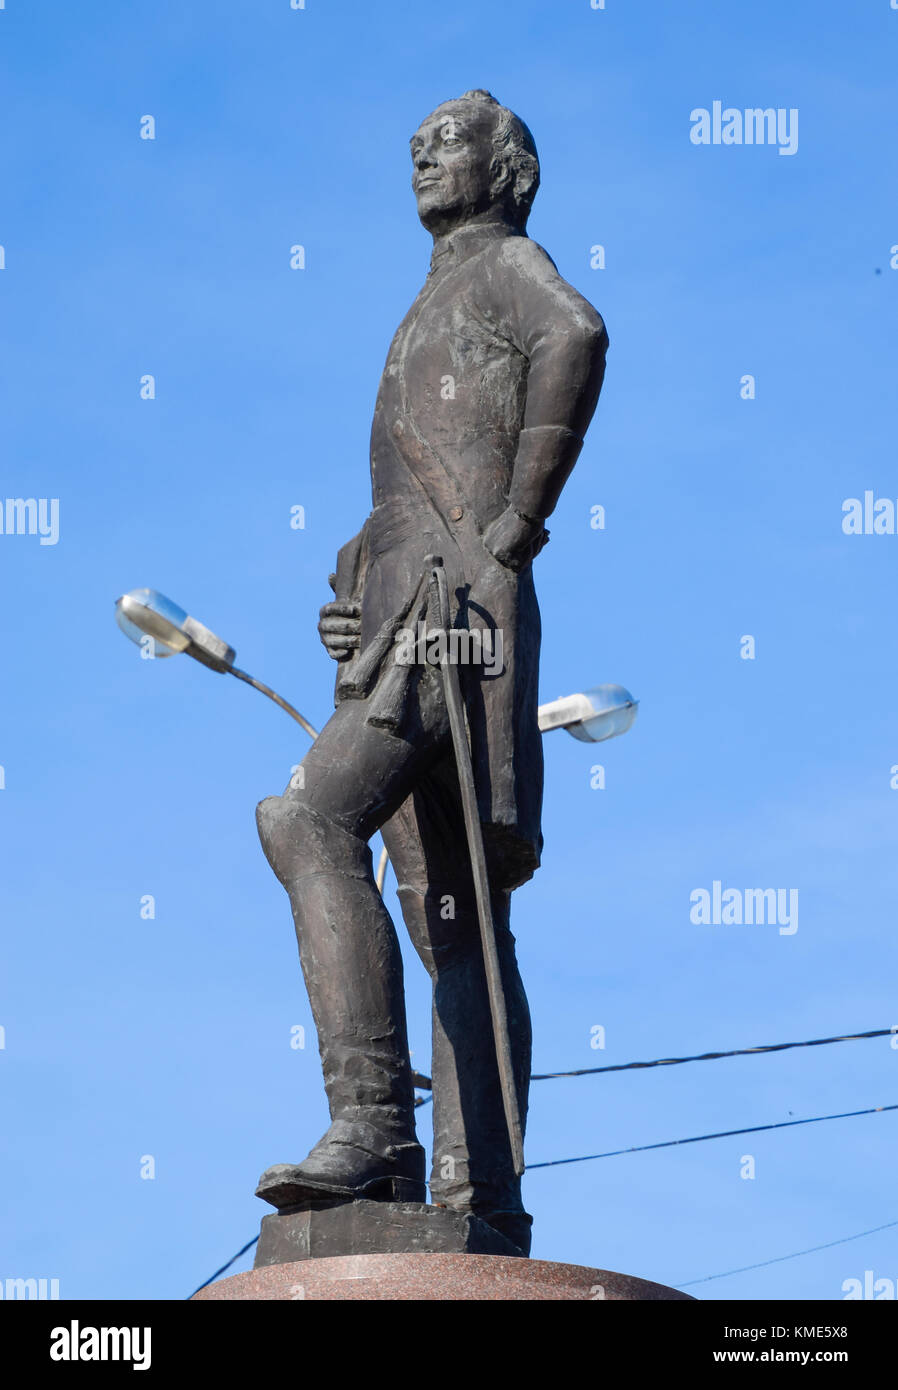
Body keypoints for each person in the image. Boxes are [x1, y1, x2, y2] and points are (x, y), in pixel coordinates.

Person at [255, 89, 608, 1256]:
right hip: (406, 612)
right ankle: (478, 1188)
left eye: (448, 142)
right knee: (453, 918)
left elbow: (578, 335)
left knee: (306, 819)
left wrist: (514, 526)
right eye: (413, 144)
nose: (421, 154)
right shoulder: (436, 289)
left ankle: (372, 1124)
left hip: (450, 615)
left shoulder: (505, 264)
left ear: (507, 170)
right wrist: (359, 585)